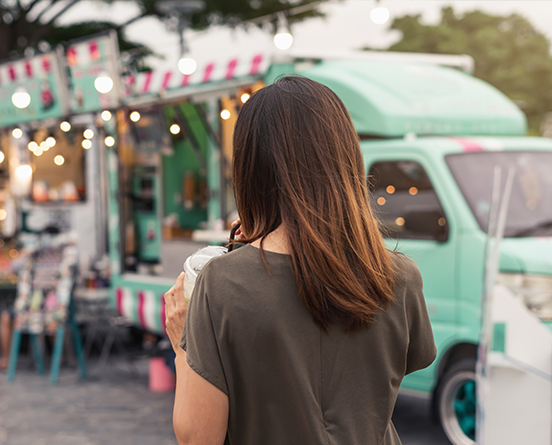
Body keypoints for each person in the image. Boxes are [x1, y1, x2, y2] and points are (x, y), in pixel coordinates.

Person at [164, 76, 437, 445]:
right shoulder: (400, 276)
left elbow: (199, 437)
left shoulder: (223, 283)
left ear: (250, 169)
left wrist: (184, 345)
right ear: (346, 159)